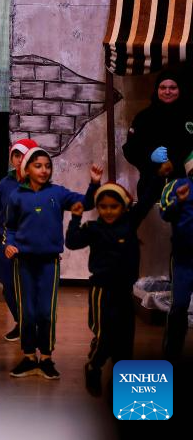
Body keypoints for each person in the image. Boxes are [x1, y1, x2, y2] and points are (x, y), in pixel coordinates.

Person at [4, 148, 100, 380]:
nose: (44, 170)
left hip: (49, 263)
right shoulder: (17, 196)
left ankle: (46, 357)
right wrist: (10, 244)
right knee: (27, 312)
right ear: (26, 169)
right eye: (38, 165)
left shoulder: (57, 193)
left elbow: (85, 203)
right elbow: (11, 227)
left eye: (47, 165)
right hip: (23, 262)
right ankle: (28, 356)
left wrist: (94, 184)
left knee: (46, 312)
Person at [66, 182, 150, 396]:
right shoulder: (94, 229)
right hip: (101, 290)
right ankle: (93, 366)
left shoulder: (130, 224)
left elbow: (147, 201)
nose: (108, 211)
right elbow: (72, 242)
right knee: (106, 336)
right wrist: (75, 218)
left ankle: (122, 384)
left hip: (124, 291)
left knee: (125, 338)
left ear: (123, 207)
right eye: (103, 206)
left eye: (114, 206)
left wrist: (159, 174)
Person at [0, 138, 38, 342]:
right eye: (16, 155)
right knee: (7, 284)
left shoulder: (38, 183)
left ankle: (31, 323)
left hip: (30, 243)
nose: (19, 160)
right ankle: (21, 321)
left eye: (23, 155)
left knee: (28, 285)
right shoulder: (5, 183)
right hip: (5, 240)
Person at [123, 69, 193, 208]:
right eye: (163, 87)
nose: (167, 92)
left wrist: (175, 161)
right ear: (157, 90)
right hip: (150, 186)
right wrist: (150, 156)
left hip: (184, 187)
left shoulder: (189, 117)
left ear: (180, 89)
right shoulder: (143, 118)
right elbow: (130, 149)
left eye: (172, 88)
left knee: (183, 225)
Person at [159, 152, 193, 362]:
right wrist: (179, 202)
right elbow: (165, 213)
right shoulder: (177, 186)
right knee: (179, 306)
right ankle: (172, 354)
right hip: (184, 259)